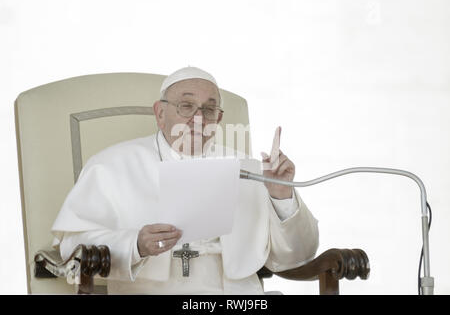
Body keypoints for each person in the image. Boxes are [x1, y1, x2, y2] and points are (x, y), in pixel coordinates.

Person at [51, 66, 319, 294]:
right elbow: (71, 246)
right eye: (186, 106)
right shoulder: (110, 165)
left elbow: (297, 256)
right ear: (160, 113)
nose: (198, 118)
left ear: (219, 119)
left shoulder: (248, 169)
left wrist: (280, 195)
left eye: (209, 109)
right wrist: (135, 244)